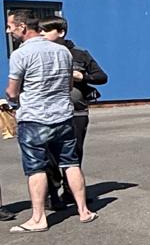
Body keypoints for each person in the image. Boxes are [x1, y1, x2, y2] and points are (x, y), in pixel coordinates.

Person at [4, 10, 96, 230]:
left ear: (23, 27)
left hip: (34, 117)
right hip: (63, 115)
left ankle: (38, 218)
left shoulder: (20, 54)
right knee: (70, 163)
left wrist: (11, 99)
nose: (8, 30)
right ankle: (83, 210)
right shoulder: (63, 52)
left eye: (10, 26)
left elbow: (13, 91)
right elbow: (69, 86)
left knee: (36, 167)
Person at [39, 15, 106, 211]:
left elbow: (101, 77)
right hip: (50, 112)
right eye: (40, 30)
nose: (42, 33)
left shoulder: (80, 55)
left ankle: (71, 192)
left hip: (76, 112)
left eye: (46, 30)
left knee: (74, 153)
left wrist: (81, 76)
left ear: (61, 32)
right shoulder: (41, 54)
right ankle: (53, 194)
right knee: (49, 154)